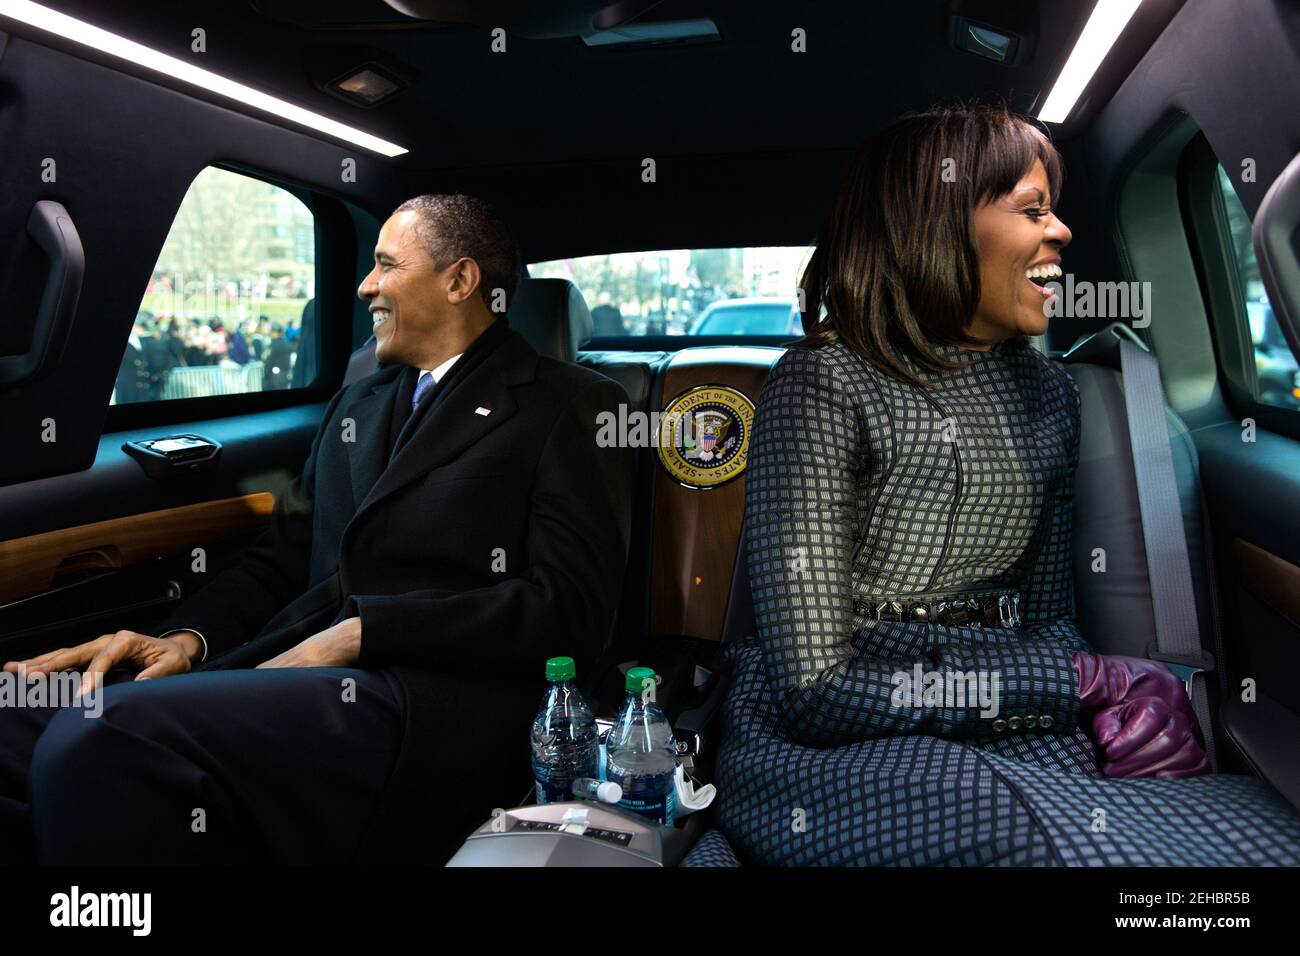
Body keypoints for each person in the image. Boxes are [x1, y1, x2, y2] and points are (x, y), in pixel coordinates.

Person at [683, 105, 1300, 867]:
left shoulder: (1051, 394)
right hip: (840, 735)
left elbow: (1045, 619)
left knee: (1232, 843)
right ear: (935, 228)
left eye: (1057, 208)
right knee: (1034, 846)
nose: (1063, 231)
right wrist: (1080, 680)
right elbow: (818, 691)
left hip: (1012, 716)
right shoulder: (821, 382)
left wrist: (1121, 702)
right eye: (1032, 209)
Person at [0, 194, 634, 866]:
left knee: (101, 737)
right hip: (297, 676)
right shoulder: (358, 402)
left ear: (460, 281)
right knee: (14, 727)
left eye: (386, 265)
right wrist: (185, 640)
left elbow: (571, 610)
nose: (365, 285)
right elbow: (277, 562)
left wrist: (365, 631)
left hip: (432, 703)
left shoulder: (570, 405)